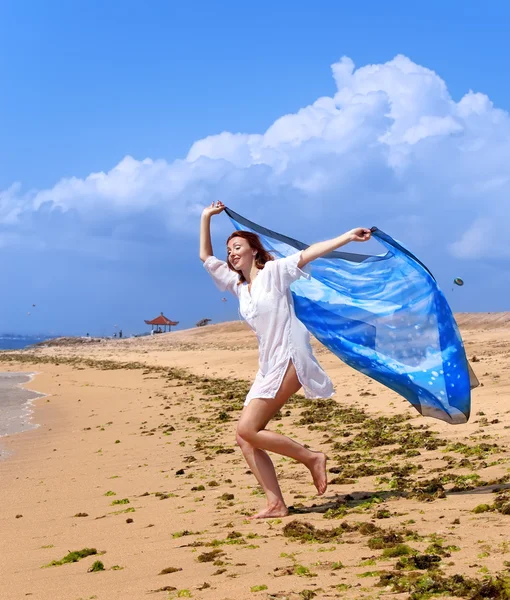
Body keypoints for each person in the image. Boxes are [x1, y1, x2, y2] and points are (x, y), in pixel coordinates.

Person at [200, 200, 371, 519]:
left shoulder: (274, 273)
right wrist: (206, 216)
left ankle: (310, 458)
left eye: (238, 247)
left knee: (248, 428)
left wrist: (347, 236)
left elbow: (310, 253)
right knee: (244, 437)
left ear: (254, 250)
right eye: (230, 250)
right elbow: (205, 257)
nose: (232, 253)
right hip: (268, 366)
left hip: (290, 358)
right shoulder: (240, 287)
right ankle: (276, 503)